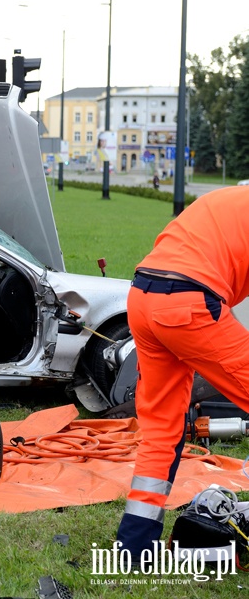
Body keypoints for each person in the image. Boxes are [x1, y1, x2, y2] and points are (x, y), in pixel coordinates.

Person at [116, 186, 249, 556]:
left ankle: (134, 546)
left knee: (162, 430)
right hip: (190, 302)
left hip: (143, 298)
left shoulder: (225, 200)